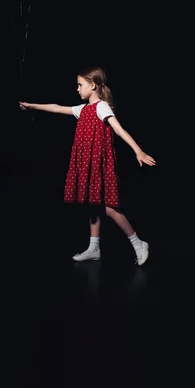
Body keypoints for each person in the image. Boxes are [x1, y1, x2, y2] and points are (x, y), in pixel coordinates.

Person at [19, 67, 156, 265]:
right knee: (93, 204)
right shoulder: (83, 110)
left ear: (92, 86)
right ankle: (94, 247)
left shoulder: (101, 107)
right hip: (87, 163)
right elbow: (57, 107)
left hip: (100, 164)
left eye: (80, 85)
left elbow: (118, 129)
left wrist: (138, 150)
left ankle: (138, 244)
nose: (77, 89)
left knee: (109, 208)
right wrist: (32, 105)